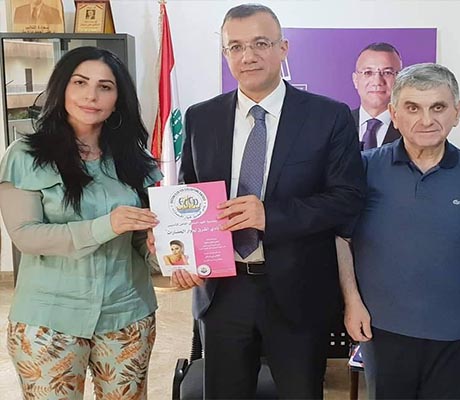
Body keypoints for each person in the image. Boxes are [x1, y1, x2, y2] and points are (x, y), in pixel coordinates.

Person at [171, 3, 365, 398]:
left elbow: (347, 199)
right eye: (236, 46)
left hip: (298, 291)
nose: (248, 56)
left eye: (261, 43)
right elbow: (189, 195)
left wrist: (269, 216)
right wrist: (185, 255)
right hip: (222, 292)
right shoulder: (201, 118)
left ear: (283, 48)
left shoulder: (329, 116)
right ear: (226, 54)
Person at [337, 63, 460, 399]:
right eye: (413, 108)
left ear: (457, 112)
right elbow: (341, 240)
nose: (427, 120)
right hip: (383, 332)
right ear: (394, 114)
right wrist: (352, 302)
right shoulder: (364, 168)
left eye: (438, 107)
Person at [0, 46, 162, 399]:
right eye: (80, 82)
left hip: (127, 315)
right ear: (62, 88)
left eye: (105, 87)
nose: (91, 96)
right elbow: (26, 236)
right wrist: (107, 225)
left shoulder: (136, 160)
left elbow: (140, 238)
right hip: (48, 322)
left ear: (118, 100)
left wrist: (159, 248)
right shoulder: (24, 156)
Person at [352, 42, 403, 150]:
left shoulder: (410, 127)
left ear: (400, 79)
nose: (377, 81)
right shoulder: (339, 124)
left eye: (387, 73)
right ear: (355, 80)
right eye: (368, 73)